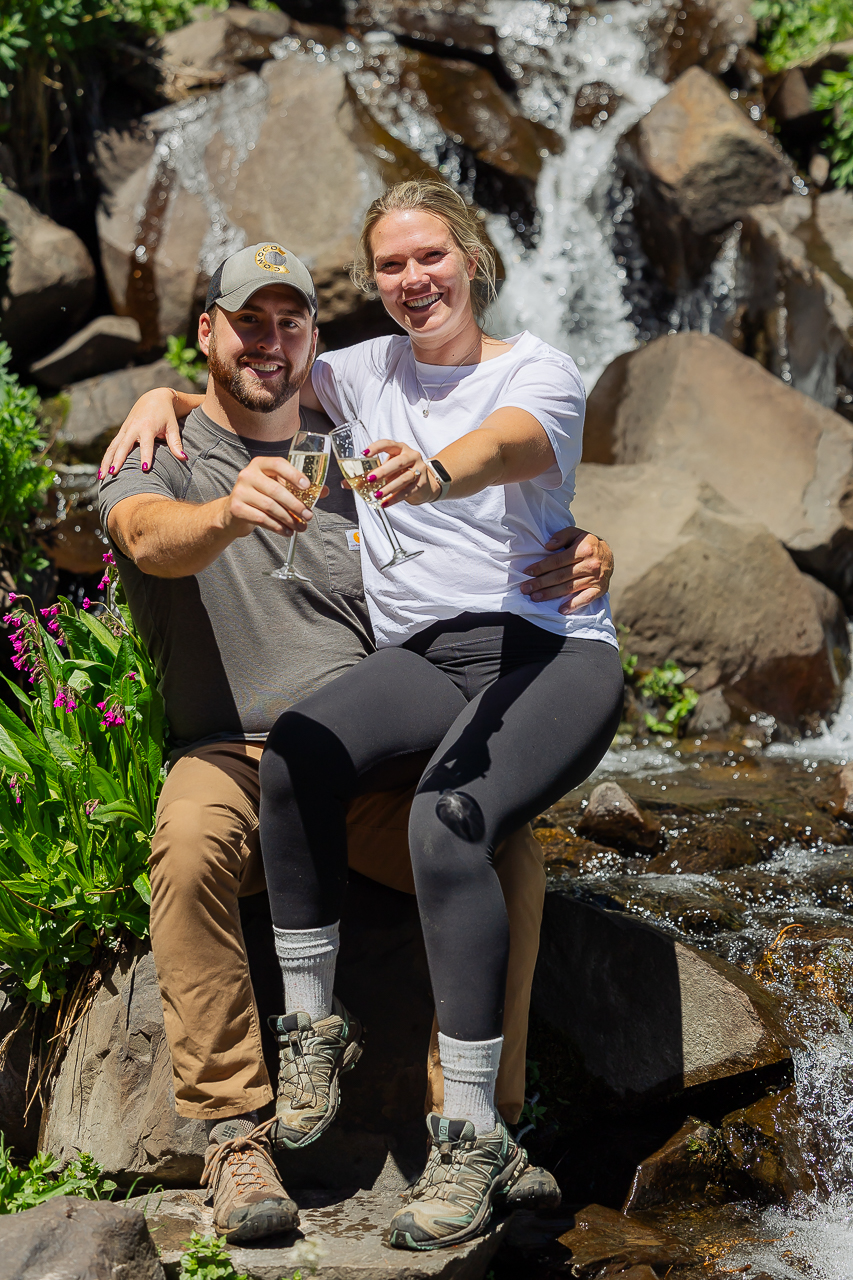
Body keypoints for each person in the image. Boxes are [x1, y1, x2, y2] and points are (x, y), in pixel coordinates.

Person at [98, 237, 615, 1246]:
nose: (270, 341)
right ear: (205, 332)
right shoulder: (156, 452)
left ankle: (479, 1123)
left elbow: (477, 521)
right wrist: (219, 511)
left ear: (313, 344)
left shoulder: (345, 444)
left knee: (501, 851)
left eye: (290, 323)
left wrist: (590, 546)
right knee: (191, 845)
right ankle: (233, 1128)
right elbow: (148, 535)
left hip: (369, 764)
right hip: (231, 756)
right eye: (247, 320)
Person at [250, 179, 625, 1252]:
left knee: (445, 819)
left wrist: (436, 469)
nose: (413, 280)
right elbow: (248, 382)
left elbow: (508, 442)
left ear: (472, 256)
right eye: (390, 266)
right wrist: (159, 405)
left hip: (549, 648)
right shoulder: (360, 370)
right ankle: (312, 1028)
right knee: (297, 755)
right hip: (429, 654)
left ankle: (471, 1131)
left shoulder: (538, 369)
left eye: (430, 257)